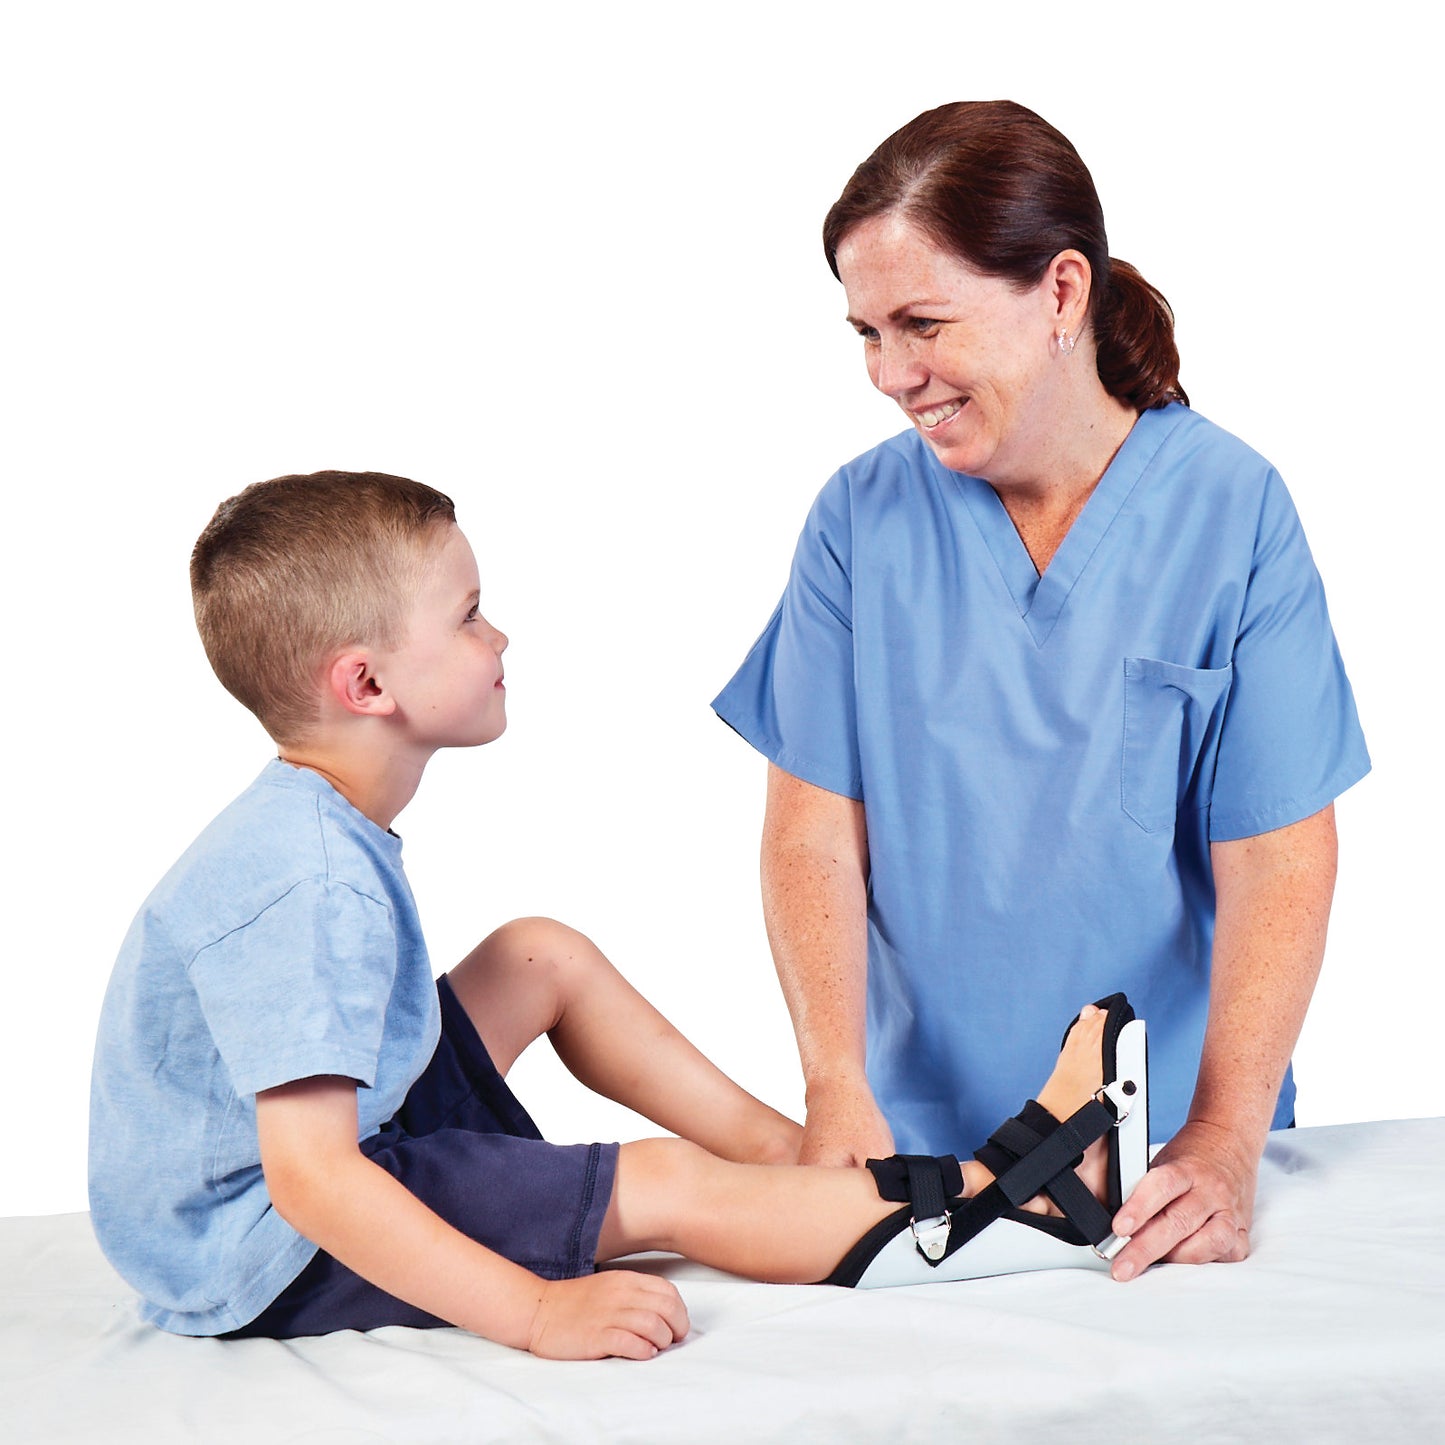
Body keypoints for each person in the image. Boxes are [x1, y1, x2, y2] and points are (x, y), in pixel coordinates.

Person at [89, 469, 1132, 1360]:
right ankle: (1018, 1192)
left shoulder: (317, 827)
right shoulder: (306, 878)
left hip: (303, 1166)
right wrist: (536, 1311)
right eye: (465, 614)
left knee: (535, 954)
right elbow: (312, 1175)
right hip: (270, 1248)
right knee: (664, 1182)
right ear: (365, 682)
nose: (498, 631)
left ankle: (799, 1163)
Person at [712, 100, 1369, 1285]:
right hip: (921, 1158)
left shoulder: (1231, 511)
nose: (889, 375)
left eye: (921, 324)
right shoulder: (858, 522)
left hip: (1161, 1171)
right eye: (863, 332)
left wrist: (1220, 1139)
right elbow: (812, 834)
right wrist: (834, 1087)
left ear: (1060, 292)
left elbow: (1276, 853)